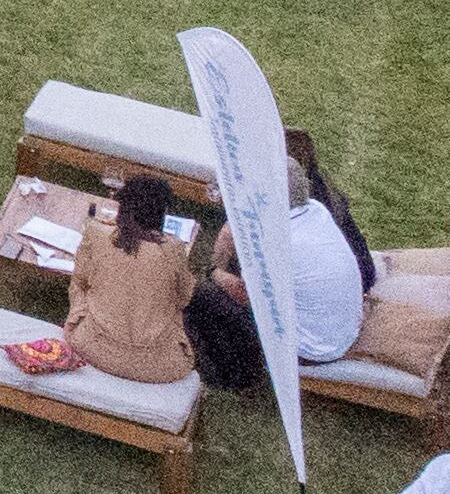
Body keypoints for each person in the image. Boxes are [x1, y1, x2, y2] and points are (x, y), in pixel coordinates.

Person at [185, 143, 370, 391]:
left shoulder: (275, 243)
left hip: (311, 348)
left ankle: (233, 376)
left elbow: (248, 296)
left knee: (201, 297)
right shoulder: (317, 211)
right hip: (342, 330)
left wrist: (213, 273)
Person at [53, 172, 201, 383]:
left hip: (92, 347)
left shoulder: (97, 234)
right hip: (156, 365)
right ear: (162, 214)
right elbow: (185, 298)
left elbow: (81, 280)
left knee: (83, 284)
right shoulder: (174, 250)